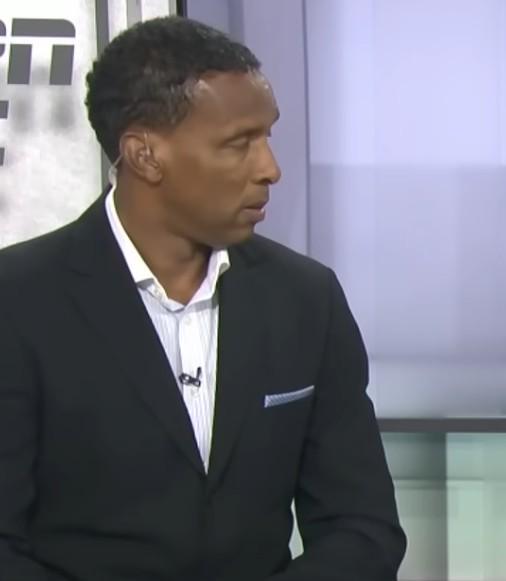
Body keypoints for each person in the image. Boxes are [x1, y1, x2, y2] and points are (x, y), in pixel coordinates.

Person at [0, 16, 405, 581]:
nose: (270, 169)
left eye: (267, 137)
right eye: (239, 144)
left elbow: (362, 529)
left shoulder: (306, 300)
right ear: (145, 155)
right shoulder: (19, 302)